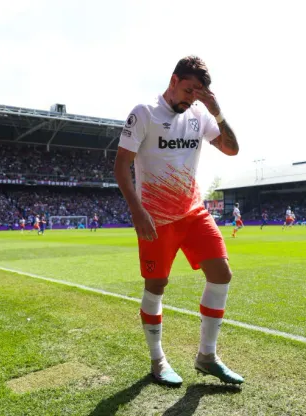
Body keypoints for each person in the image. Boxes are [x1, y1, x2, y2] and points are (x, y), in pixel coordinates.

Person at [113, 56, 243, 386]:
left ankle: (207, 357)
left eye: (198, 93)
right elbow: (121, 165)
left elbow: (232, 150)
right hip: (155, 218)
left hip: (193, 212)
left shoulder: (200, 114)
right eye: (188, 90)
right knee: (156, 286)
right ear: (173, 81)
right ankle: (158, 362)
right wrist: (137, 211)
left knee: (221, 273)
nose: (191, 98)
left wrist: (217, 111)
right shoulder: (144, 112)